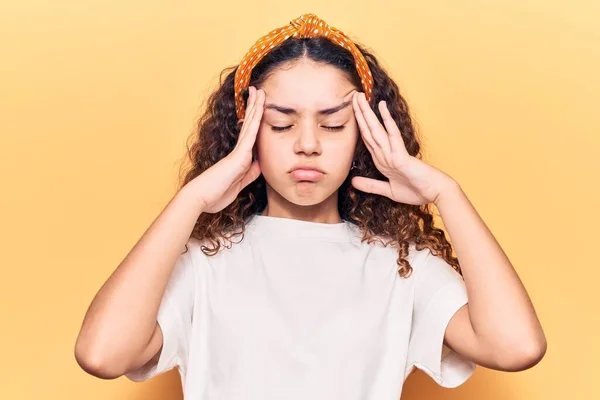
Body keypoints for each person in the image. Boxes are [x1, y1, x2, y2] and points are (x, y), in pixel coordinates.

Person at [74, 13, 547, 399]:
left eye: (334, 124)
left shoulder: (401, 266)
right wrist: (192, 198)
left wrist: (446, 193)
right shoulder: (204, 262)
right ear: (247, 132)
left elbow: (517, 346)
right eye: (280, 124)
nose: (307, 144)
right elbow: (102, 355)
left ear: (364, 133)